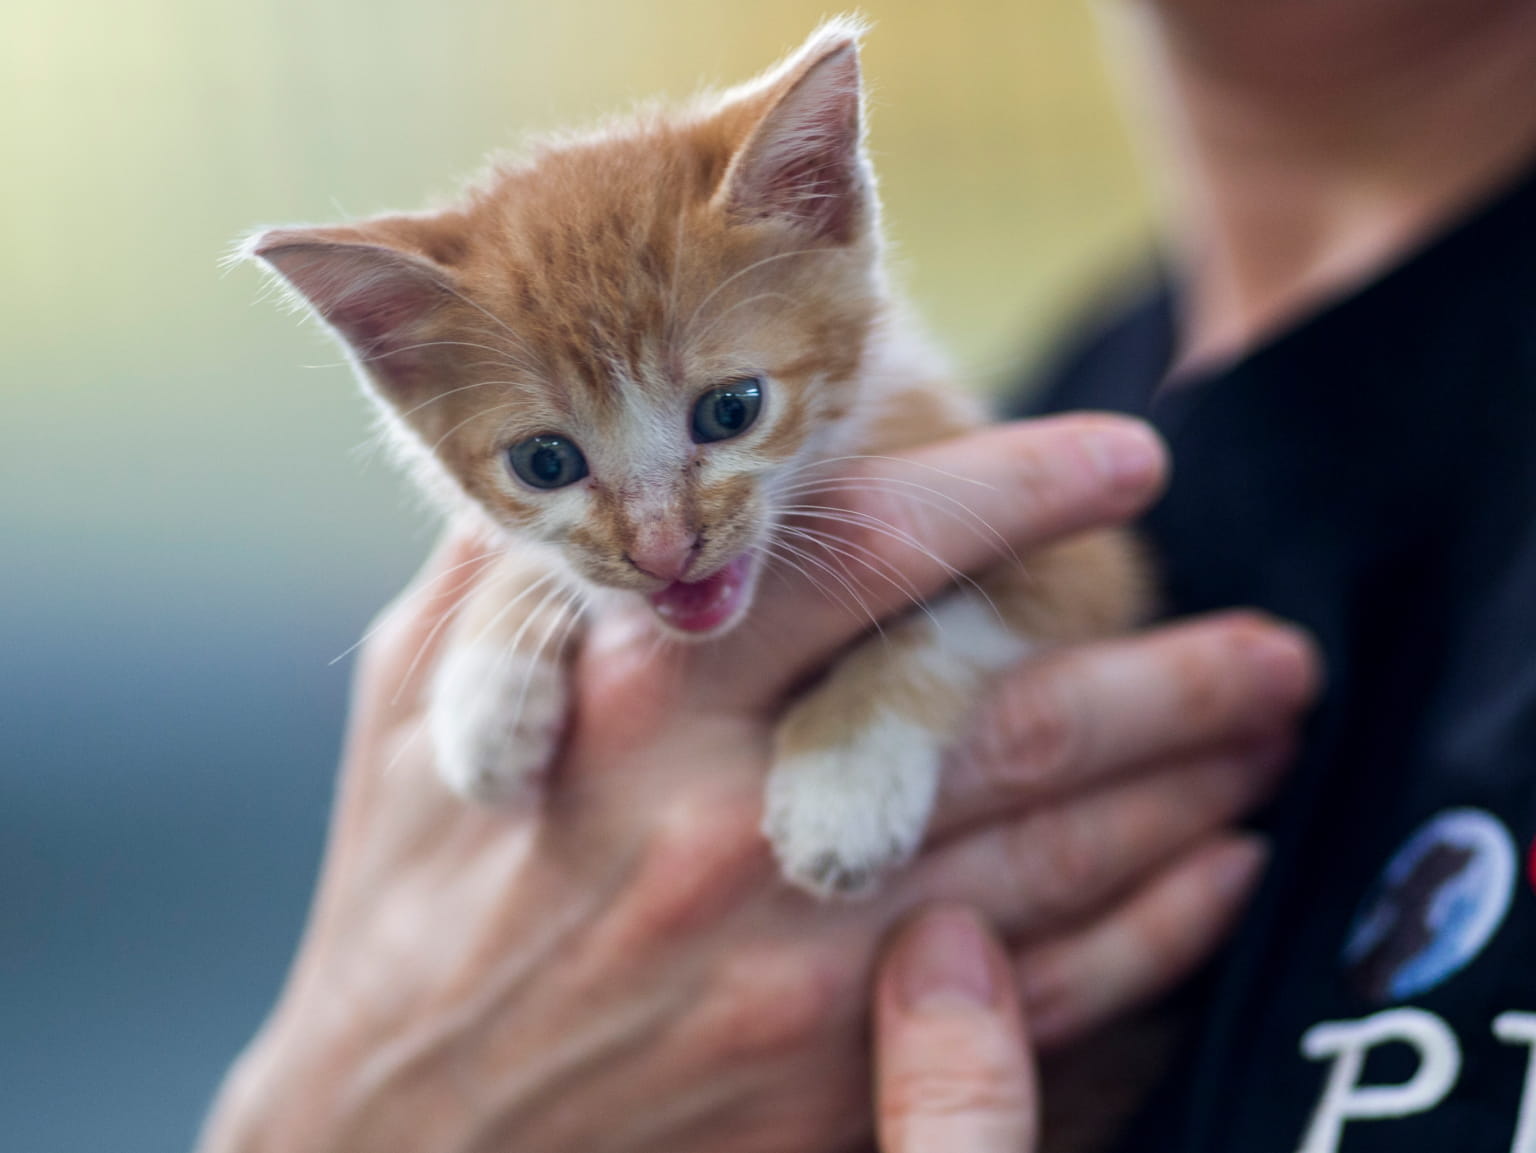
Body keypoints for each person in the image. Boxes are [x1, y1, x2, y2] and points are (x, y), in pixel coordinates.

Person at [198, 0, 1536, 1150]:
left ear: (826, 203)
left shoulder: (965, 452)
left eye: (725, 416)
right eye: (553, 463)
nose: (663, 540)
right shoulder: (1081, 378)